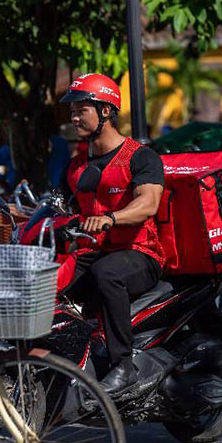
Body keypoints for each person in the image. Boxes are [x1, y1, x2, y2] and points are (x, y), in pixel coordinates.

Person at [60, 73, 165, 395]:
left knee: (107, 273)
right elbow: (59, 206)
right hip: (95, 252)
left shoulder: (140, 156)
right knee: (50, 280)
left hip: (140, 253)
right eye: (73, 111)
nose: (74, 118)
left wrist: (110, 218)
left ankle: (123, 365)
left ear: (105, 111)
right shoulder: (76, 166)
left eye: (81, 110)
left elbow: (148, 203)